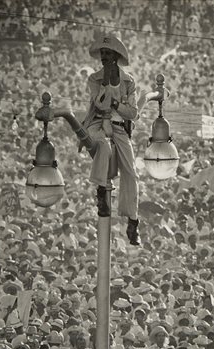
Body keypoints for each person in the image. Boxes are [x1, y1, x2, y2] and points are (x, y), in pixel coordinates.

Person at [82, 34, 140, 245]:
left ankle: (132, 219)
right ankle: (100, 192)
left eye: (107, 53)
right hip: (98, 123)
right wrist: (106, 85)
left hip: (119, 128)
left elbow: (132, 113)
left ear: (115, 56)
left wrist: (116, 105)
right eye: (102, 53)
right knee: (103, 148)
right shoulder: (94, 78)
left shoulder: (128, 81)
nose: (103, 57)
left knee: (131, 172)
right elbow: (100, 105)